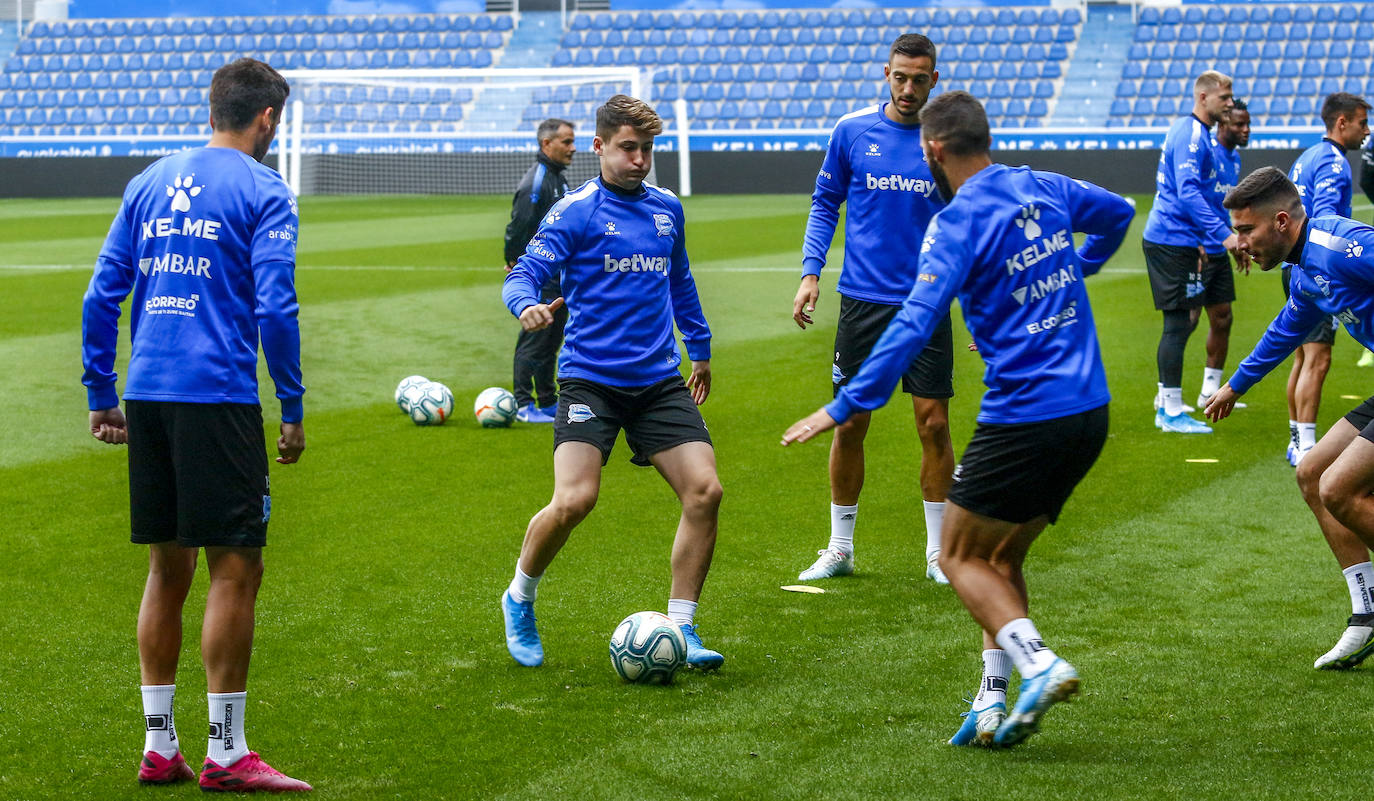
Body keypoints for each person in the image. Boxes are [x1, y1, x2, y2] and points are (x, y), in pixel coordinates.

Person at [782, 91, 1135, 748]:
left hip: (1025, 414)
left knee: (957, 552)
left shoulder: (953, 224)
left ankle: (1039, 662)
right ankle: (993, 694)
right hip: (1090, 411)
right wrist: (1075, 274)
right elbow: (1121, 213)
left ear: (934, 149)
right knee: (999, 556)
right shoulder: (1044, 185)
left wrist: (844, 403)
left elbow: (913, 324)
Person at [80, 58, 311, 792]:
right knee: (236, 567)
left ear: (214, 107)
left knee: (166, 568)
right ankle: (225, 750)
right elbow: (276, 308)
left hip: (146, 391)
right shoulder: (266, 189)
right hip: (216, 396)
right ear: (268, 118)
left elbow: (100, 295)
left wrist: (101, 391)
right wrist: (294, 406)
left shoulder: (149, 182)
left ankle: (158, 743)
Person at [499, 94, 725, 671]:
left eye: (647, 149)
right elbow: (526, 271)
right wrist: (525, 305)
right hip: (590, 381)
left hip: (657, 382)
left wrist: (697, 349)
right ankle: (519, 597)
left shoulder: (667, 209)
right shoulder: (575, 211)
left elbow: (681, 281)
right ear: (599, 146)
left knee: (705, 491)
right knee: (575, 499)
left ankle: (681, 627)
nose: (640, 160)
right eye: (628, 148)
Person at [791, 33, 957, 584]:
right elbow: (825, 201)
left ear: (935, 79)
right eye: (900, 77)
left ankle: (937, 553)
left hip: (928, 304)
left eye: (919, 78)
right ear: (885, 73)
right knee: (850, 422)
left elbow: (972, 224)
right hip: (863, 304)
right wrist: (811, 272)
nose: (908, 89)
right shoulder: (853, 131)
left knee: (933, 424)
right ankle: (840, 547)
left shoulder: (949, 141)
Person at [1204, 166, 1374, 671]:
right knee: (1313, 472)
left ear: (1281, 221)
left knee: (1338, 487)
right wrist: (1235, 385)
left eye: (1245, 230)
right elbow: (1285, 329)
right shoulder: (1300, 270)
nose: (1239, 242)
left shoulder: (1339, 245)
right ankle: (1367, 614)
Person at [1141, 70, 1247, 434]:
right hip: (1172, 238)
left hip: (1183, 239)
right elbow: (1187, 193)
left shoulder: (1199, 135)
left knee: (1189, 321)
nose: (1230, 104)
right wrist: (1223, 236)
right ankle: (1168, 410)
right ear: (1204, 98)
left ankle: (1170, 399)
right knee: (1178, 323)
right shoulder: (1191, 136)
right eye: (1225, 98)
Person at [1281, 93, 1371, 463]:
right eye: (1362, 123)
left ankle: (1296, 438)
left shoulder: (1307, 156)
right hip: (1319, 271)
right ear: (1342, 123)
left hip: (1293, 267)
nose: (1366, 132)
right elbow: (1328, 222)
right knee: (1318, 358)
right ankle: (1305, 445)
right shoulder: (1335, 163)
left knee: (1302, 357)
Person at [504, 118, 576, 423]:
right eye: (567, 142)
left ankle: (547, 399)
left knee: (552, 339)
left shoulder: (557, 178)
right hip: (542, 274)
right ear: (547, 144)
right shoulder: (537, 181)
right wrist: (515, 264)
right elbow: (518, 226)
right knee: (534, 338)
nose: (573, 148)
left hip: (559, 277)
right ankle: (523, 404)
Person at [1188, 98, 1251, 410]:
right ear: (1223, 124)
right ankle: (1167, 392)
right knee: (1185, 321)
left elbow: (1222, 208)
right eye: (1239, 124)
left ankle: (1208, 392)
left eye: (1247, 124)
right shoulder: (1207, 153)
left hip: (1219, 247)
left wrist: (1235, 240)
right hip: (1198, 247)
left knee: (1223, 319)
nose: (1245, 130)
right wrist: (1195, 242)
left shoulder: (1234, 159)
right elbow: (1192, 201)